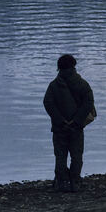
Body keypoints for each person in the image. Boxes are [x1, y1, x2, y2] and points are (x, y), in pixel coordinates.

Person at [43, 53, 95, 192]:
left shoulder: (53, 85)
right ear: (74, 66)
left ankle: (63, 182)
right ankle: (75, 181)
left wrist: (60, 120)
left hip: (59, 127)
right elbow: (88, 103)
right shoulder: (82, 84)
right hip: (76, 127)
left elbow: (48, 103)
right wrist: (76, 120)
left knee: (60, 156)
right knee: (76, 156)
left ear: (59, 68)